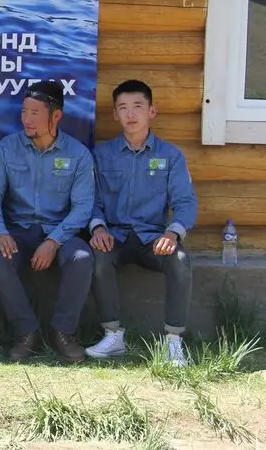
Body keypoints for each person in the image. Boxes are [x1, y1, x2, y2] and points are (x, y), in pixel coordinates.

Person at [84, 80, 198, 364]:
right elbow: (91, 198)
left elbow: (185, 202)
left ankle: (173, 342)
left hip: (153, 239)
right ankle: (112, 335)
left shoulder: (170, 156)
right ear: (115, 114)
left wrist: (172, 234)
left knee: (181, 260)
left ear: (152, 111)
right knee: (97, 256)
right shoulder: (102, 154)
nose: (130, 114)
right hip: (115, 237)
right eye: (123, 108)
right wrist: (97, 227)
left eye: (137, 107)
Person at [0, 80, 95, 363]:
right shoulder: (6, 148)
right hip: (18, 232)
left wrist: (54, 240)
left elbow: (82, 208)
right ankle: (26, 333)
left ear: (56, 116)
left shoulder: (78, 154)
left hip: (60, 232)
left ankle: (63, 333)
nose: (27, 119)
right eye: (24, 111)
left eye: (35, 113)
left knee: (82, 258)